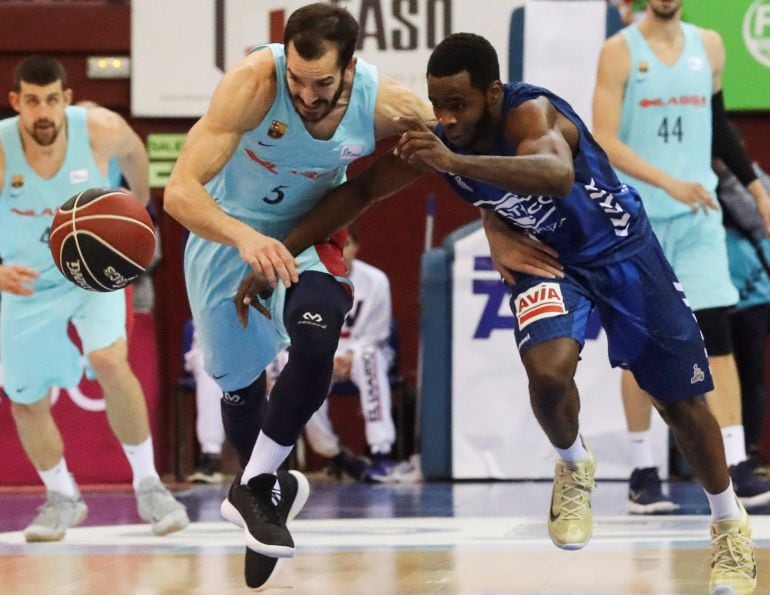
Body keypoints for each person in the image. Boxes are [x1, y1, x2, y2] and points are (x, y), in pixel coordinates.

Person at [238, 31, 758, 594]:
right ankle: (573, 462)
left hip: (623, 254)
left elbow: (556, 175)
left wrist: (456, 162)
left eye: (458, 105)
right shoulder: (444, 138)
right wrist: (277, 250)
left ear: (492, 92)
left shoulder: (530, 114)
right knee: (549, 374)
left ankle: (728, 524)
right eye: (438, 105)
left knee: (680, 404)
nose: (447, 118)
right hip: (548, 259)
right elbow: (360, 193)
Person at [162, 3, 432, 587]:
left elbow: (452, 147)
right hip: (227, 231)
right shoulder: (252, 85)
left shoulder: (389, 104)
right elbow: (180, 194)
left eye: (323, 84)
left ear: (352, 68)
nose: (307, 95)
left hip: (311, 231)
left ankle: (254, 483)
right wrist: (245, 239)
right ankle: (273, 487)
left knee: (317, 336)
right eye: (298, 80)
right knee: (239, 388)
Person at [0, 56, 189, 542]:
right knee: (26, 399)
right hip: (26, 284)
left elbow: (135, 156)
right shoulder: (2, 150)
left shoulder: (101, 129)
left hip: (91, 276)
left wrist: (142, 208)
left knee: (108, 359)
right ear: (16, 101)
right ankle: (62, 496)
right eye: (32, 101)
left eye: (51, 100)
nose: (42, 112)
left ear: (66, 99)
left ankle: (150, 486)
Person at [592, 0, 770, 515]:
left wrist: (756, 189)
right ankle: (642, 472)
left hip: (698, 221)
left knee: (718, 336)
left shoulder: (709, 46)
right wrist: (667, 181)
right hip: (637, 222)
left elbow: (717, 124)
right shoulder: (619, 52)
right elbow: (602, 138)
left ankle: (736, 464)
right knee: (641, 345)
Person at [267, 226, 399, 482]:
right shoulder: (301, 276)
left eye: (347, 243)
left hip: (363, 351)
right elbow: (287, 331)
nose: (342, 249)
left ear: (356, 247)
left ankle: (382, 450)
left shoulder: (376, 280)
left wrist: (350, 356)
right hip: (319, 351)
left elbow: (378, 333)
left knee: (368, 359)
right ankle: (332, 452)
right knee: (291, 366)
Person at [715, 152, 770, 460]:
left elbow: (757, 221)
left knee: (750, 375)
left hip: (752, 296)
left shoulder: (755, 181)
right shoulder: (686, 178)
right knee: (703, 374)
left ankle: (747, 450)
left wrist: (729, 176)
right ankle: (705, 454)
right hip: (708, 296)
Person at [184, 326, 226, 484]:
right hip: (213, 345)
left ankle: (271, 460)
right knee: (209, 367)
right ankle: (211, 456)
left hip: (269, 346)